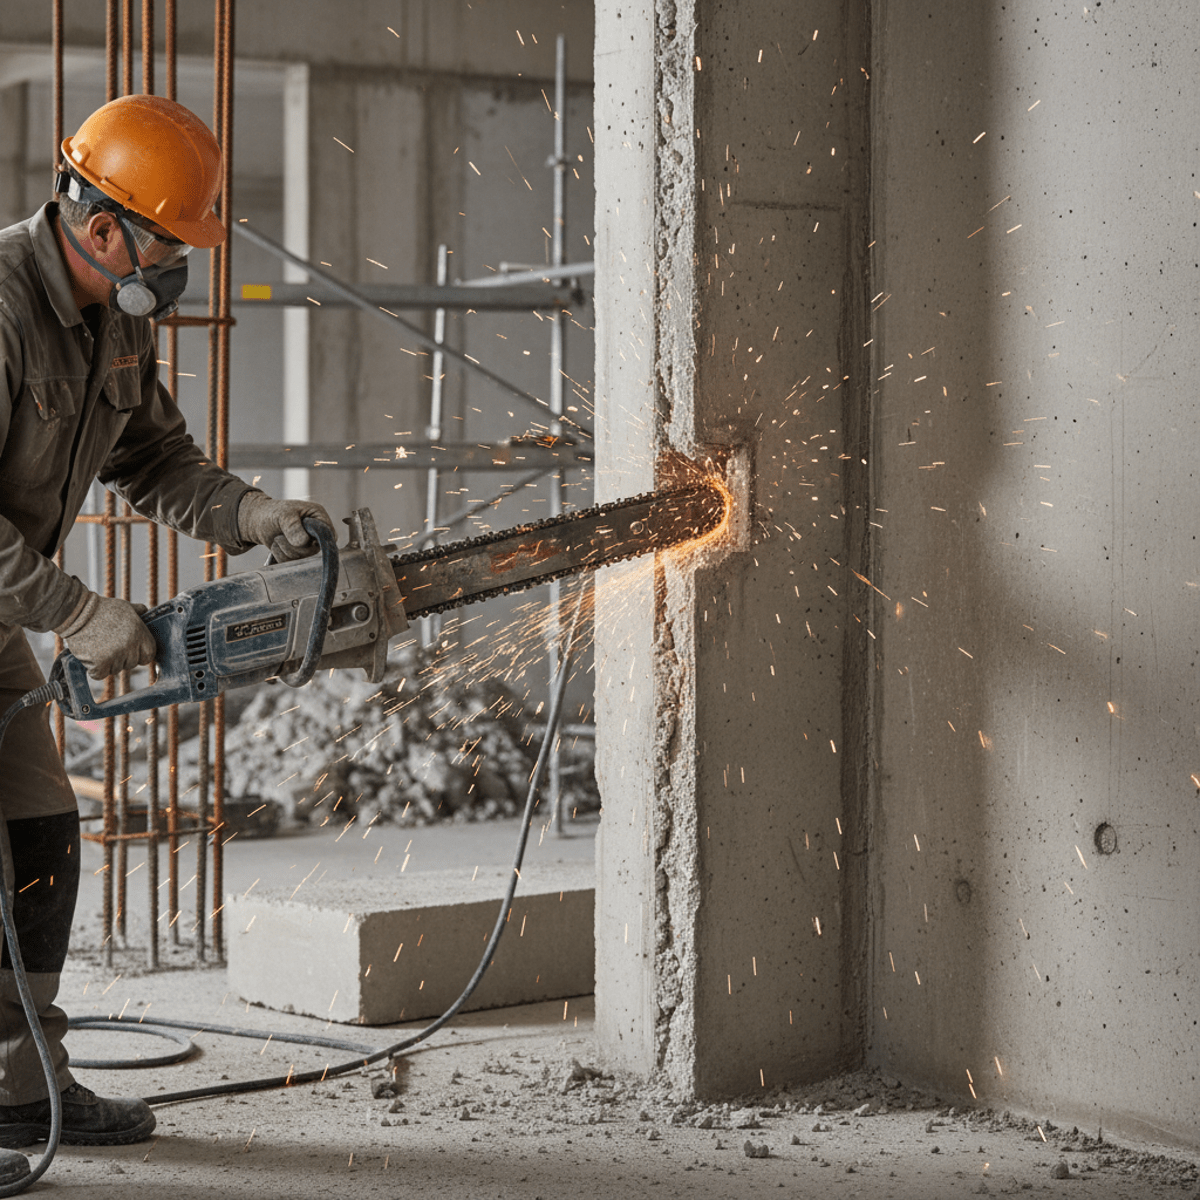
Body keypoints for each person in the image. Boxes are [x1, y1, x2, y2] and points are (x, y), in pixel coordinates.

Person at [0, 94, 331, 1182]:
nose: (180, 262)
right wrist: (78, 614)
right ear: (101, 227)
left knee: (42, 831)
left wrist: (251, 517)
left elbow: (156, 461)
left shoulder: (118, 315)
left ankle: (15, 1084)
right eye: (169, 241)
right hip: (22, 596)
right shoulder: (1, 305)